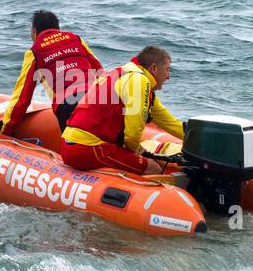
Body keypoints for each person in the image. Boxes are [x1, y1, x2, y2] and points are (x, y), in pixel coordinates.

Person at [61, 46, 183, 175]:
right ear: (154, 68)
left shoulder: (123, 73)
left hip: (69, 143)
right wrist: (139, 153)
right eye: (167, 70)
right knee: (153, 167)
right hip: (88, 147)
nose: (168, 76)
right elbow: (133, 132)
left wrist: (197, 140)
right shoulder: (140, 81)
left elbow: (170, 123)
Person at [0, 10, 103, 133]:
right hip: (99, 97)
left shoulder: (34, 52)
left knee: (77, 150)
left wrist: (6, 130)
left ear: (34, 31)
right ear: (58, 28)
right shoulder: (76, 39)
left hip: (68, 104)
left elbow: (22, 97)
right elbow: (99, 71)